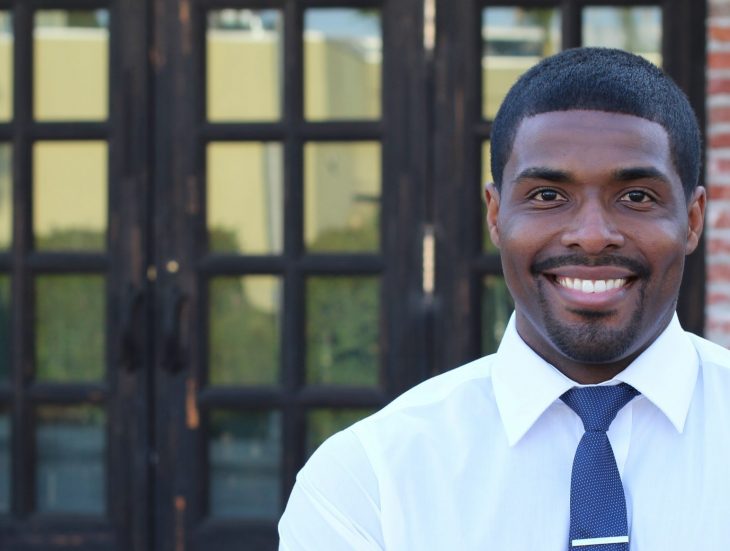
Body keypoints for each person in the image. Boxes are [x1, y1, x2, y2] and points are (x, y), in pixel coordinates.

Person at [278, 48, 730, 550]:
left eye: (637, 197)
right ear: (495, 215)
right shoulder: (369, 482)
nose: (592, 235)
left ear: (692, 220)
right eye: (547, 196)